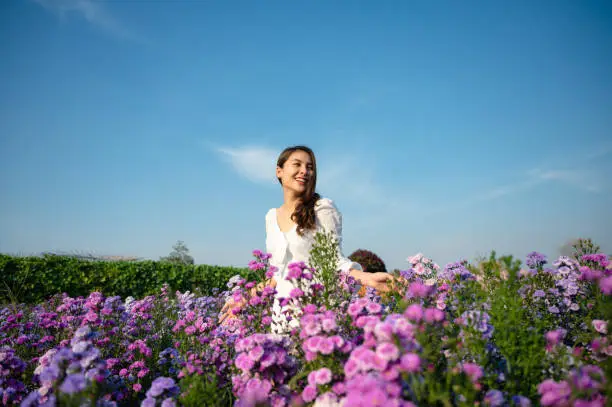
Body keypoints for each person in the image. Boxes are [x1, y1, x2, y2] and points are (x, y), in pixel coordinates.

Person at [221, 145, 394, 328]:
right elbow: (277, 274)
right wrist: (245, 298)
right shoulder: (271, 217)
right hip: (283, 317)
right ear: (279, 171)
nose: (304, 171)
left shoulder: (322, 209)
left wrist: (366, 278)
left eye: (310, 167)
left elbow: (333, 261)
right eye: (297, 164)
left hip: (318, 312)